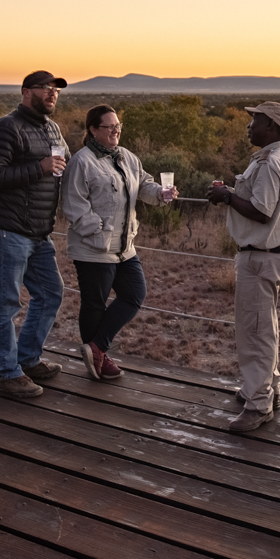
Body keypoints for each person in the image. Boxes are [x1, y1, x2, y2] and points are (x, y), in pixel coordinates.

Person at [62, 104, 178, 380]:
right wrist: (98, 228)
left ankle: (97, 347)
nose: (116, 130)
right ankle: (98, 362)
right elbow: (73, 204)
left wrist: (160, 193)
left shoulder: (126, 157)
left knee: (134, 293)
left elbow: (143, 183)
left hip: (125, 248)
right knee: (94, 304)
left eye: (118, 126)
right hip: (93, 248)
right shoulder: (82, 161)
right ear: (92, 130)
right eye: (109, 126)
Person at [0, 70, 71, 399]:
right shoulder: (6, 127)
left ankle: (27, 359)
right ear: (25, 91)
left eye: (55, 89)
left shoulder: (52, 128)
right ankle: (7, 373)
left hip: (37, 232)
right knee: (5, 302)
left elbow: (63, 163)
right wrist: (40, 168)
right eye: (45, 88)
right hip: (7, 229)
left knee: (50, 292)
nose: (52, 93)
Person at [206, 102, 280, 433]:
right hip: (264, 255)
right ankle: (264, 389)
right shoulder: (271, 158)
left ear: (271, 126)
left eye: (255, 119)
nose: (249, 125)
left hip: (260, 257)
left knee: (254, 332)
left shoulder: (271, 163)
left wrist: (227, 196)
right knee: (264, 328)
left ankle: (258, 404)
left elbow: (261, 211)